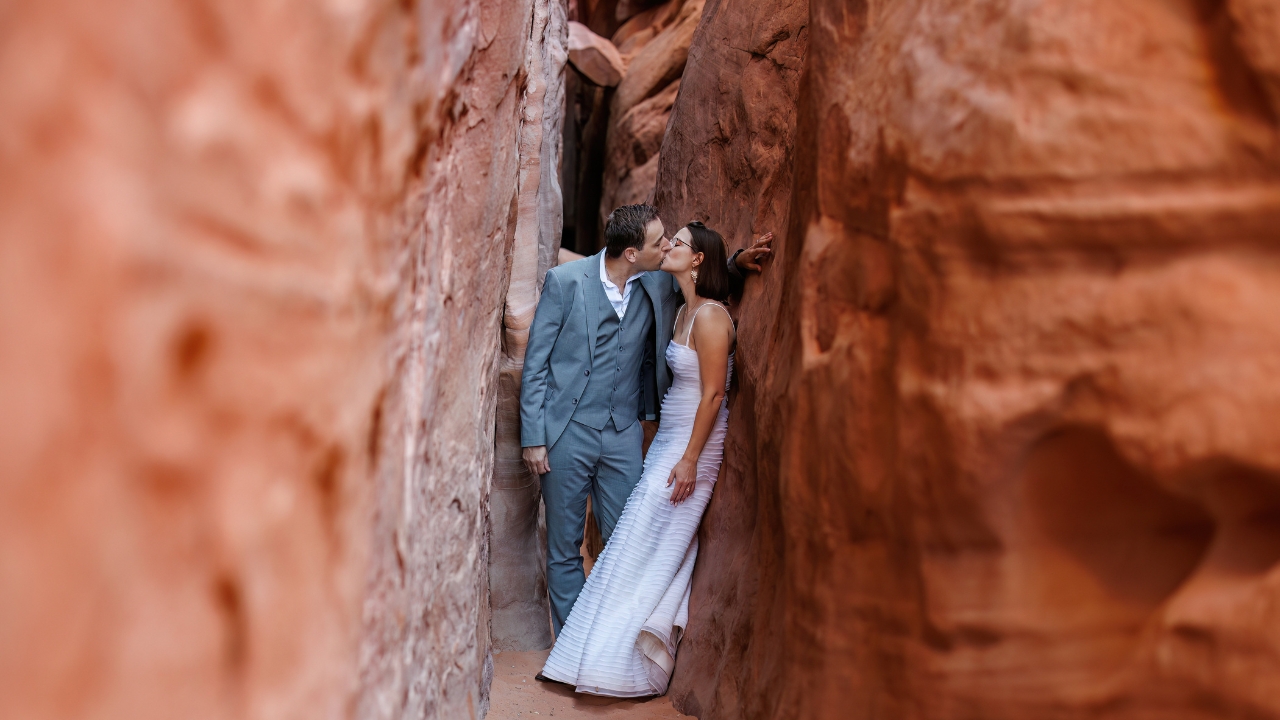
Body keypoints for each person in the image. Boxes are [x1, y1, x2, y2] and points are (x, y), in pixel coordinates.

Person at [519, 205, 771, 639]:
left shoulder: (656, 283)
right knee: (563, 550)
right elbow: (536, 364)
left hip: (623, 437)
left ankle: (611, 644)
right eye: (659, 243)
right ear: (632, 252)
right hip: (564, 434)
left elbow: (700, 280)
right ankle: (574, 646)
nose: (667, 247)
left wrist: (737, 263)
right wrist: (533, 438)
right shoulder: (565, 282)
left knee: (626, 546)